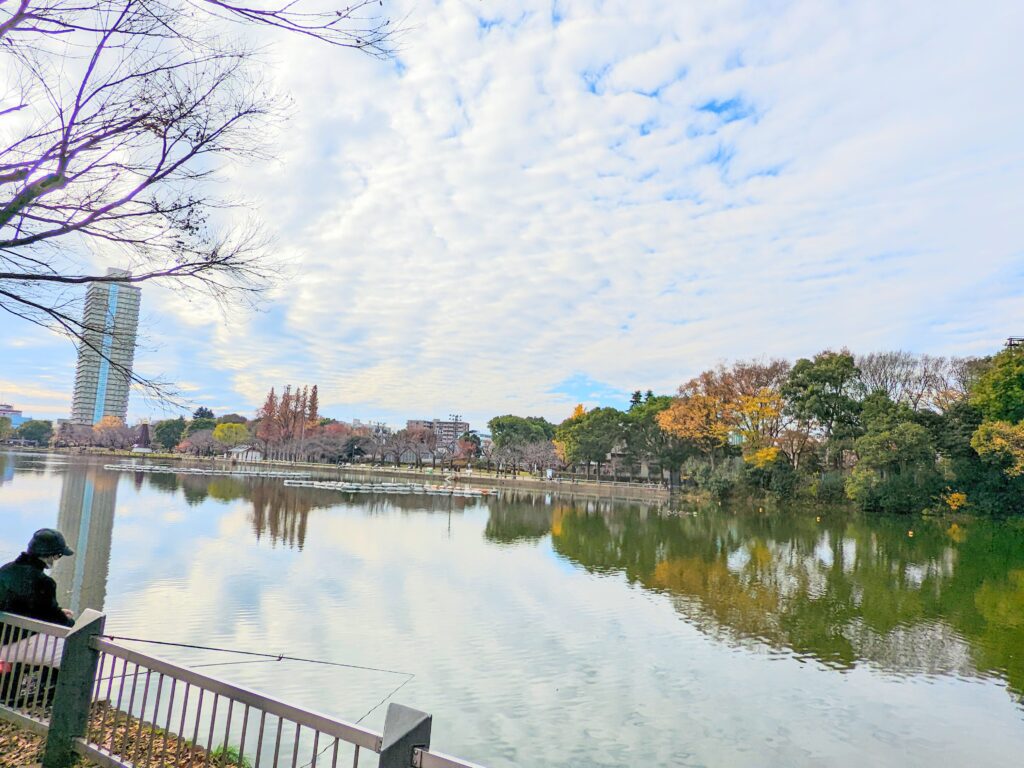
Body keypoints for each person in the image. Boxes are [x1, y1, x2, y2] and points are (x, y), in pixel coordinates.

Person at [0, 528, 76, 627]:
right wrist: (69, 621)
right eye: (59, 555)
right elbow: (55, 621)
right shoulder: (44, 582)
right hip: (16, 639)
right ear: (52, 556)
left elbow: (21, 606)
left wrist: (58, 612)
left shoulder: (5, 570)